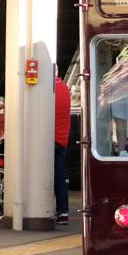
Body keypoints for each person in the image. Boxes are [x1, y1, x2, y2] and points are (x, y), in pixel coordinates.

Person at [54, 75, 71, 226]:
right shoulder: (64, 87)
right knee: (59, 178)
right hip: (62, 139)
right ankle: (63, 212)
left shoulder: (49, 90)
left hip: (49, 141)